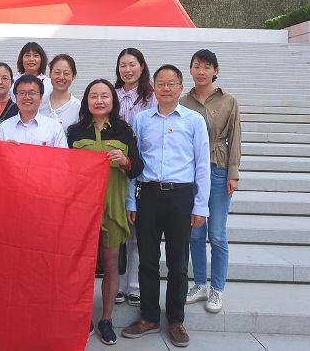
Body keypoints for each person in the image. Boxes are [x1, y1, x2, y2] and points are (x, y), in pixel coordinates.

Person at [122, 65, 210, 348]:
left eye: (172, 83)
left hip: (180, 197)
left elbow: (202, 165)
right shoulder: (141, 120)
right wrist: (131, 200)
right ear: (154, 87)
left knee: (178, 263)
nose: (166, 88)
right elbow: (134, 165)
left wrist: (201, 205)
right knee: (147, 260)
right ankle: (148, 317)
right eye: (161, 83)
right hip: (148, 195)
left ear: (181, 88)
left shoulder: (194, 120)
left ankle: (175, 320)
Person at [67, 79, 143, 345]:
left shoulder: (124, 131)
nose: (99, 101)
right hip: (82, 209)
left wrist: (125, 161)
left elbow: (137, 168)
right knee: (83, 266)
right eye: (93, 96)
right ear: (86, 100)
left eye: (104, 96)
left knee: (111, 264)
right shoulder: (75, 132)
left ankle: (106, 319)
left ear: (113, 100)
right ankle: (82, 316)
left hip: (112, 207)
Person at [180, 50, 241, 314]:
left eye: (207, 67)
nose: (201, 71)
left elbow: (235, 137)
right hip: (190, 172)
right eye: (197, 66)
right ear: (190, 70)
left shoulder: (228, 100)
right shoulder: (183, 101)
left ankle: (217, 288)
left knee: (216, 233)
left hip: (218, 169)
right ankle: (199, 285)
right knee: (195, 232)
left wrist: (233, 173)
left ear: (215, 70)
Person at [113, 48, 158, 307]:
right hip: (117, 169)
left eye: (132, 64)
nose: (127, 70)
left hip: (144, 170)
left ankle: (135, 285)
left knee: (139, 232)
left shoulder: (152, 98)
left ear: (142, 66)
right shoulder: (113, 95)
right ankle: (118, 284)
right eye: (123, 65)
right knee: (120, 229)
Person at [0, 75, 67, 148]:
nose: (27, 97)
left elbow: (63, 154)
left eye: (32, 93)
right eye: (22, 93)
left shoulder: (54, 127)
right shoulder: (4, 127)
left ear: (41, 97)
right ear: (15, 97)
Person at [39, 54, 80, 131]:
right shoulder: (38, 103)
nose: (61, 77)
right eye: (57, 72)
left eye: (66, 73)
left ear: (73, 76)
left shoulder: (79, 108)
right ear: (50, 74)